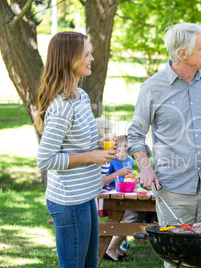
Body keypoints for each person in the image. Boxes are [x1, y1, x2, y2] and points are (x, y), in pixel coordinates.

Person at [127, 23, 201, 252]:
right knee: (177, 257)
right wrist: (145, 167)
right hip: (173, 191)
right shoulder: (152, 87)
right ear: (183, 53)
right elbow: (135, 134)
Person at [35, 32, 117, 267]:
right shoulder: (61, 106)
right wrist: (92, 156)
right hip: (69, 201)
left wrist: (100, 147)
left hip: (86, 195)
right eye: (86, 54)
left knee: (90, 262)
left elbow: (77, 143)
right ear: (69, 59)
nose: (91, 59)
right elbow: (45, 159)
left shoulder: (81, 96)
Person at [104, 135, 146, 261]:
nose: (123, 148)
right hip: (114, 196)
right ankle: (110, 248)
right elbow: (107, 179)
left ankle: (116, 247)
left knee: (140, 214)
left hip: (128, 194)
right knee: (132, 217)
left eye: (126, 146)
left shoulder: (131, 161)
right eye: (120, 145)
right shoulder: (112, 161)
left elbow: (128, 179)